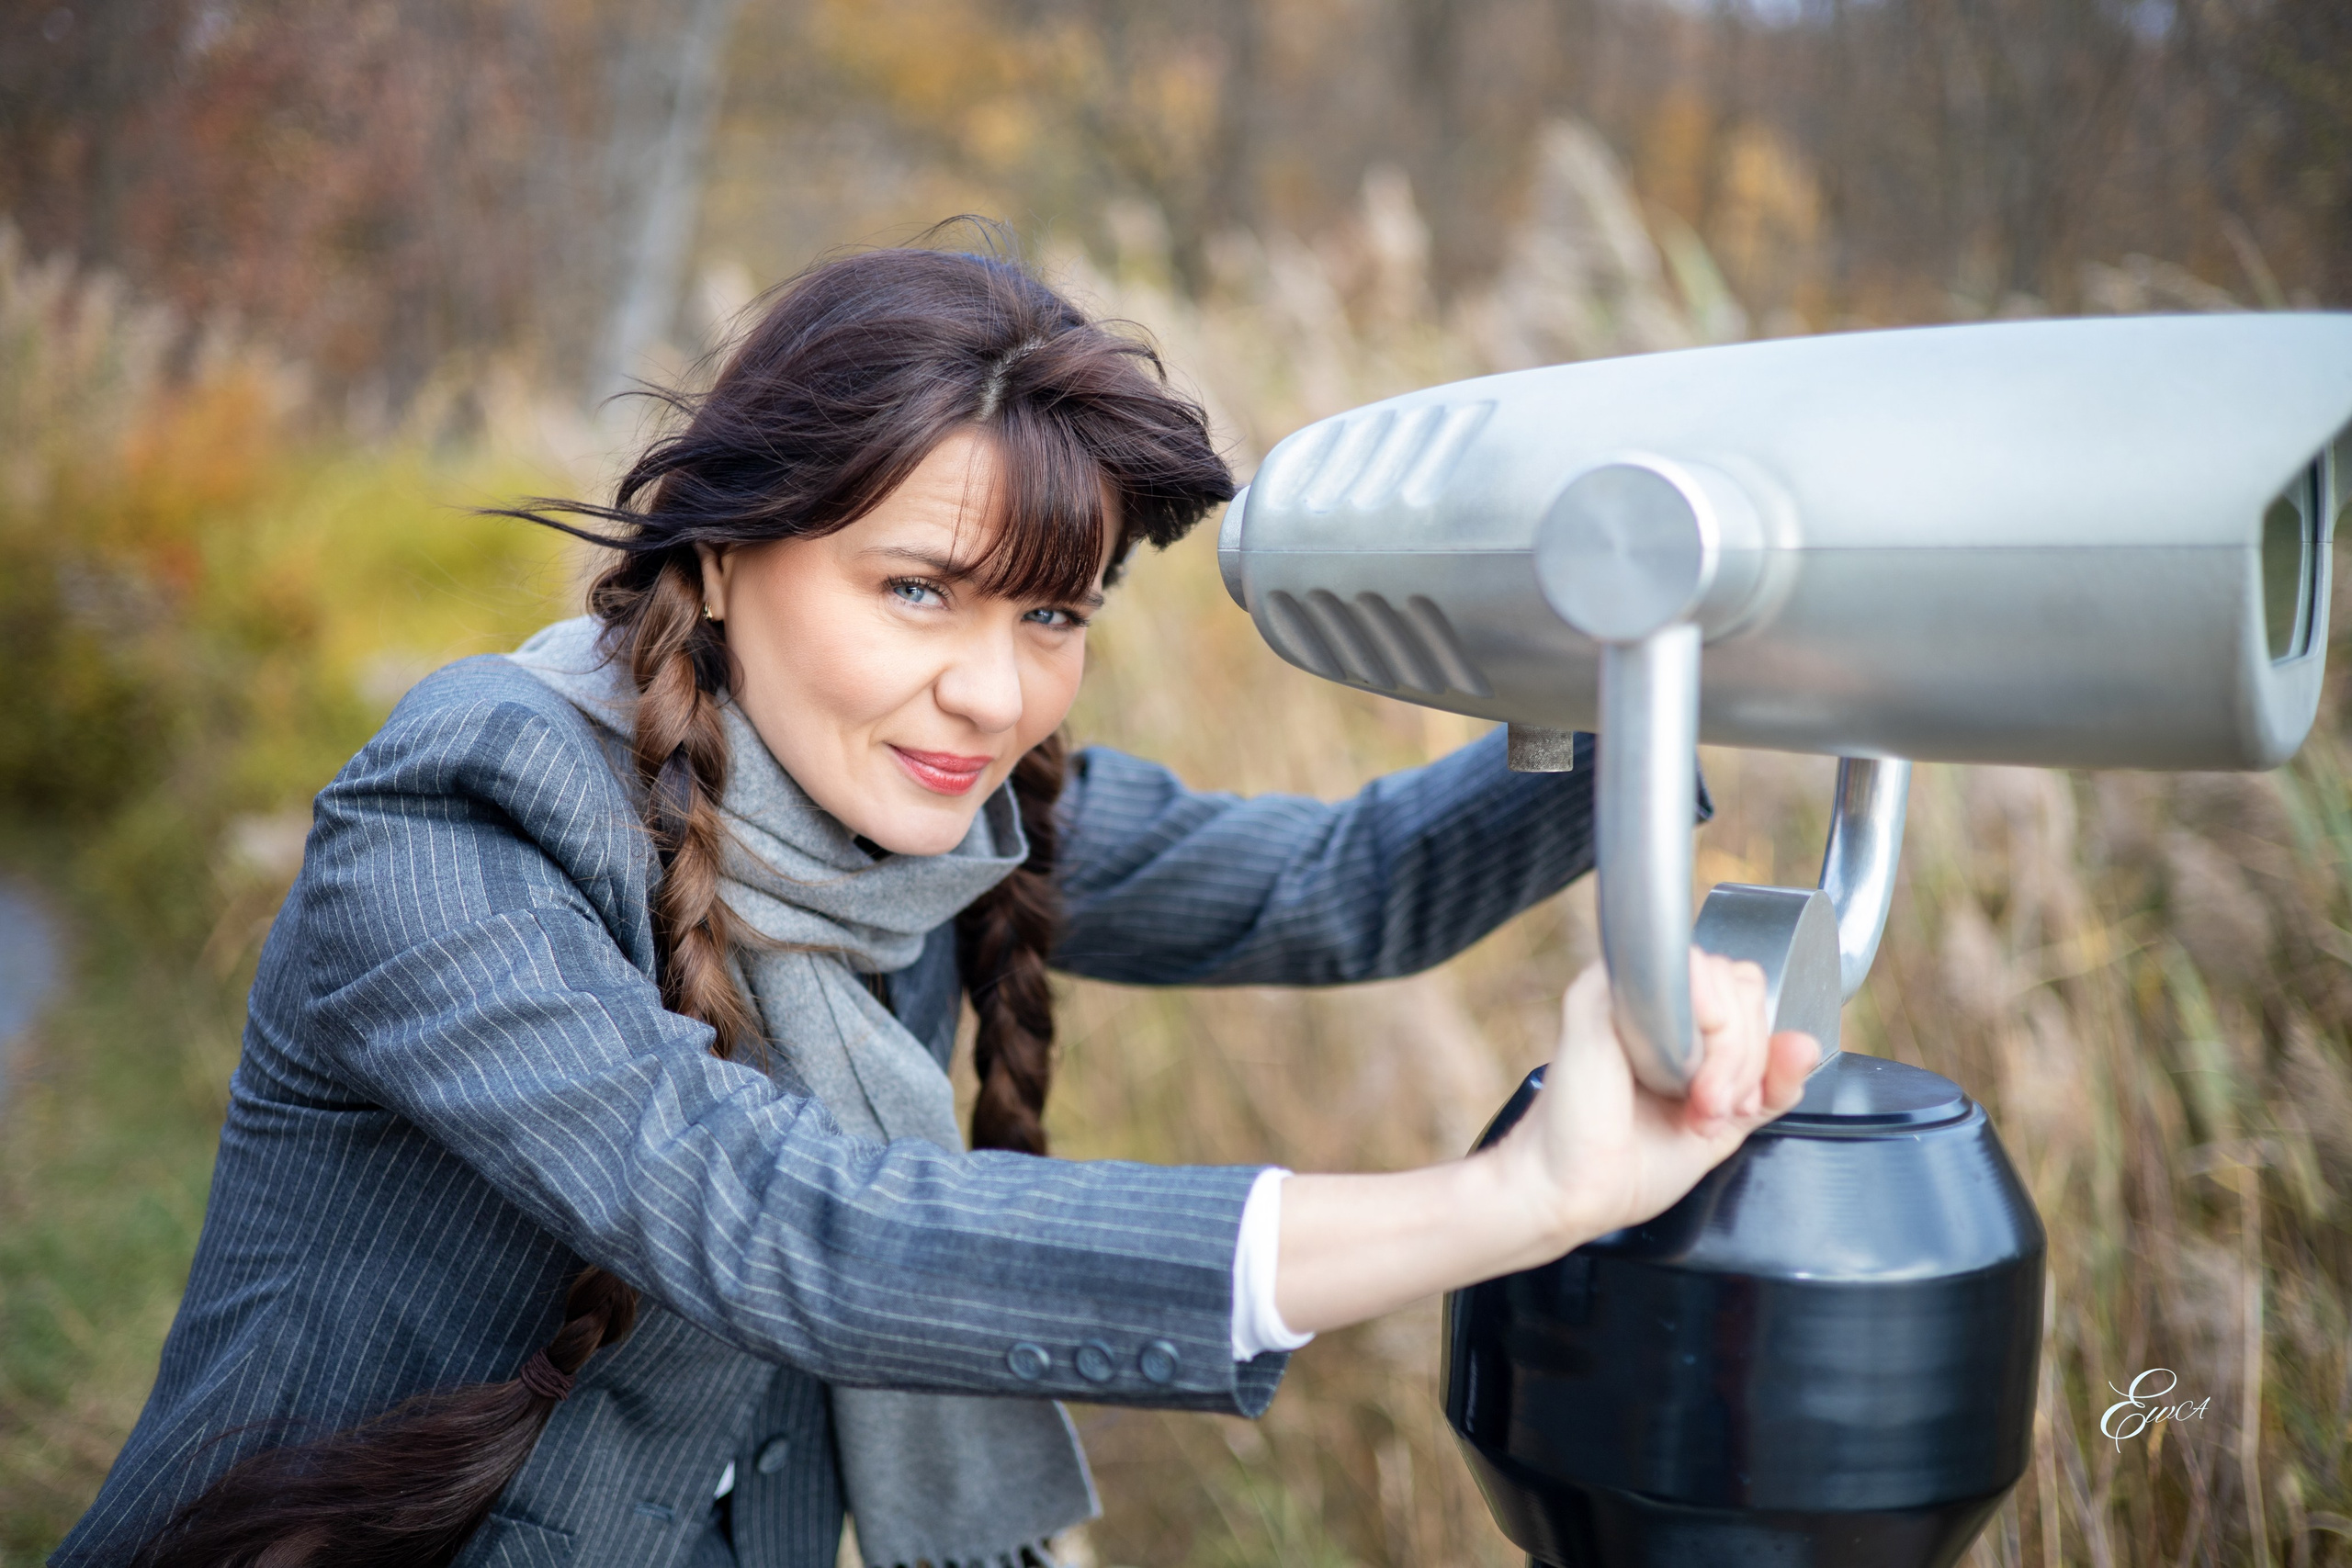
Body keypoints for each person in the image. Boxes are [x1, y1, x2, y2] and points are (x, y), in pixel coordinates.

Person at [58, 243, 1815, 1568]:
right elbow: (794, 1229)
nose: (993, 693)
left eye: (1051, 617)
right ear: (729, 553)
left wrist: (1678, 678)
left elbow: (1346, 887)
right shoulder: (468, 814)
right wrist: (1515, 1199)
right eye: (919, 591)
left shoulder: (948, 802)